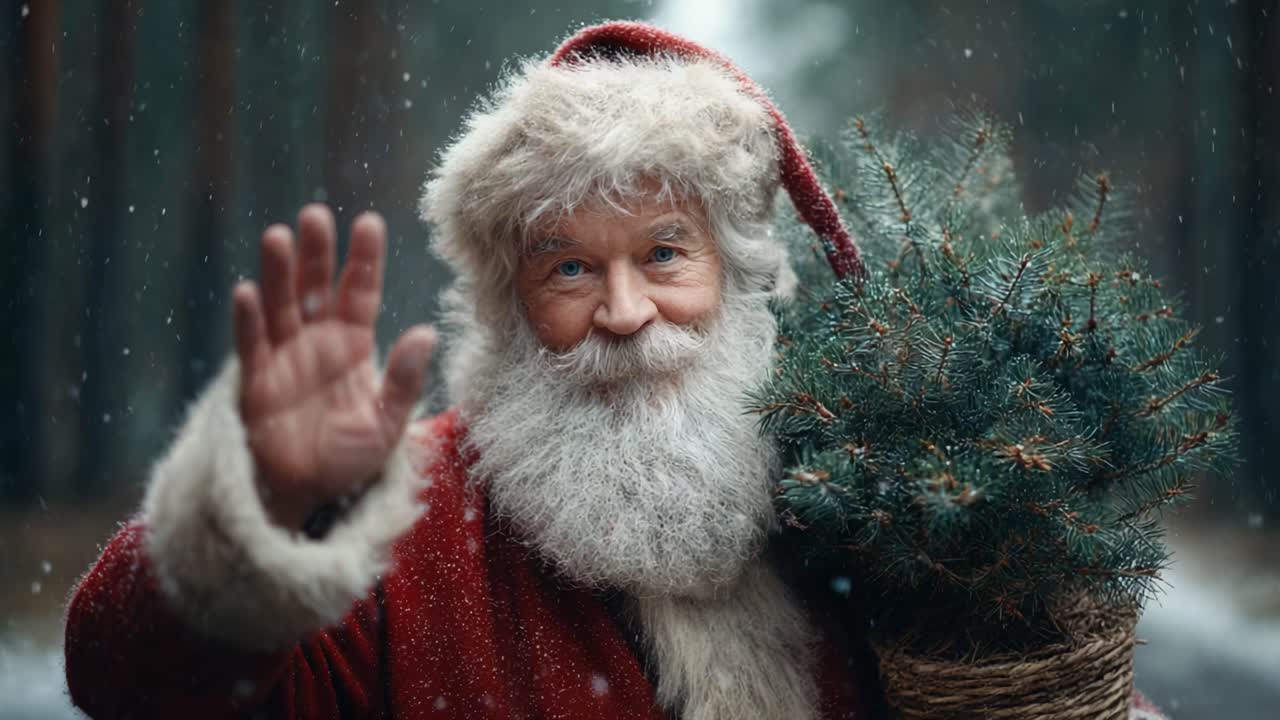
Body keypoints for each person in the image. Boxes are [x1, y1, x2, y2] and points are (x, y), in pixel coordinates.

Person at [64, 21, 1166, 720]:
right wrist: (259, 504)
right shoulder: (402, 518)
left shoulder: (860, 494)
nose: (627, 315)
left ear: (733, 272)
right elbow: (129, 685)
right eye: (569, 269)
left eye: (664, 255)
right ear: (509, 301)